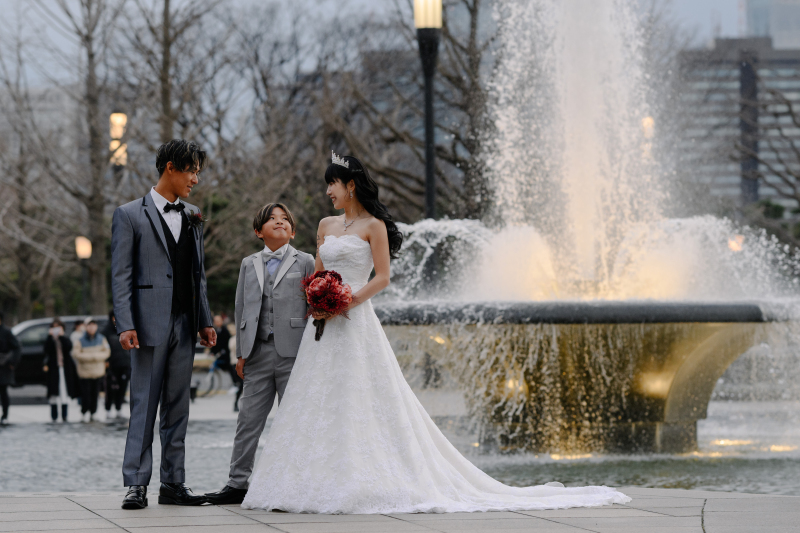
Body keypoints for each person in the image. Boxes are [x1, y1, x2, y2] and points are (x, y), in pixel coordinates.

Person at [240, 153, 630, 513]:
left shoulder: (374, 227)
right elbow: (321, 271)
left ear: (350, 185)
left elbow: (384, 277)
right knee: (314, 400)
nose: (328, 192)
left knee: (357, 397)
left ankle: (359, 479)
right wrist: (319, 297)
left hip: (356, 321)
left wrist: (347, 300)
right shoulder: (326, 226)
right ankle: (303, 481)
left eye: (332, 185)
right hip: (321, 326)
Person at [111, 139, 216, 510]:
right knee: (144, 405)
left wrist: (204, 319)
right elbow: (120, 275)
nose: (195, 180)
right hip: (146, 325)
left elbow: (197, 273)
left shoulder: (193, 214)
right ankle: (136, 484)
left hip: (185, 324)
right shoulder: (129, 215)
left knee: (178, 406)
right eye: (191, 171)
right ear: (170, 167)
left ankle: (173, 483)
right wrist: (125, 323)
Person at [204, 203, 315, 505]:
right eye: (271, 219)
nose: (279, 222)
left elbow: (314, 307)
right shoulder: (247, 263)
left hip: (294, 352)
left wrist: (313, 352)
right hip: (256, 352)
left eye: (285, 220)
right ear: (258, 231)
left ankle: (295, 483)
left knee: (293, 420)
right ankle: (237, 483)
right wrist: (241, 353)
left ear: (292, 231)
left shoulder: (305, 261)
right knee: (248, 419)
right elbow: (242, 309)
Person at [72, 318, 111, 422]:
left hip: (98, 372)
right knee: (85, 394)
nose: (92, 327)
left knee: (95, 394)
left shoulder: (101, 338)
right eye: (89, 325)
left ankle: (93, 412)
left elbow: (107, 352)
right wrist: (92, 357)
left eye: (94, 325)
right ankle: (84, 412)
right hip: (85, 372)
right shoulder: (80, 340)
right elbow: (76, 354)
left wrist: (94, 356)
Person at [43, 319, 79, 423]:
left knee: (64, 391)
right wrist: (50, 337)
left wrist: (62, 336)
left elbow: (69, 347)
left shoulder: (65, 338)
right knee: (53, 392)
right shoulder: (50, 339)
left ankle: (64, 415)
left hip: (64, 368)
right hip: (53, 369)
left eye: (58, 327)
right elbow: (46, 350)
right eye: (54, 327)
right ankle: (54, 416)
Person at [104, 310, 130, 419]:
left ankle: (119, 408)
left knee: (122, 388)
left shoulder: (127, 329)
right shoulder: (106, 332)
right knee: (111, 388)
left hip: (125, 364)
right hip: (111, 365)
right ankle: (108, 409)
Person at [208, 315, 236, 410]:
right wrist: (212, 352)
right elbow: (216, 343)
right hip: (222, 354)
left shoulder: (224, 331)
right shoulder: (216, 330)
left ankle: (235, 383)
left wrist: (217, 351)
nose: (217, 322)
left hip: (227, 355)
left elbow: (223, 343)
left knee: (230, 367)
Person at [0, 311, 21, 425]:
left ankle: (5, 415)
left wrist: (12, 362)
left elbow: (17, 348)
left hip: (3, 366)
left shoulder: (6, 332)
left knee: (3, 392)